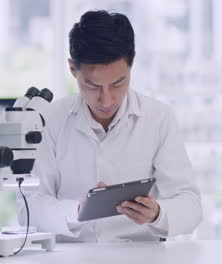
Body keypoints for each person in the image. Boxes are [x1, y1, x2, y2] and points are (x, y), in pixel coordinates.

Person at [18, 10, 202, 242]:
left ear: (132, 62)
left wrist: (157, 214)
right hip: (71, 257)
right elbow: (29, 208)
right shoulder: (50, 120)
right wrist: (76, 211)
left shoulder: (159, 118)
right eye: (93, 86)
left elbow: (191, 205)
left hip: (139, 257)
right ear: (72, 69)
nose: (106, 100)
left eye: (118, 83)